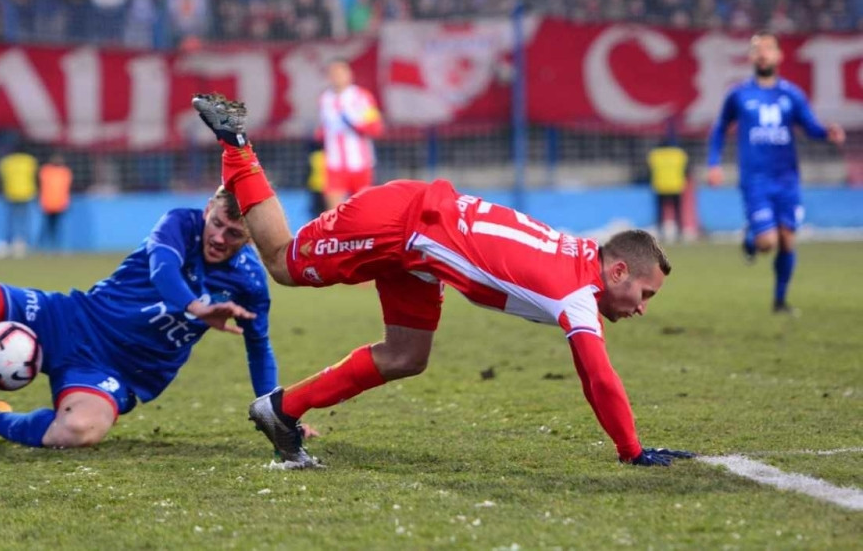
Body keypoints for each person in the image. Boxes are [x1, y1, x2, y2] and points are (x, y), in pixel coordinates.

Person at [192, 93, 694, 469]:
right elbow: (599, 378)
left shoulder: (582, 254)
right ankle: (237, 147)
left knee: (407, 355)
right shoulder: (578, 292)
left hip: (419, 249)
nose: (643, 306)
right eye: (645, 294)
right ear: (618, 270)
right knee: (281, 264)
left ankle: (281, 411)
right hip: (397, 224)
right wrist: (632, 451)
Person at [0, 188, 279, 449]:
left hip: (117, 372)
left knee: (78, 432)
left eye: (234, 235)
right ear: (208, 208)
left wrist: (279, 415)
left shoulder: (248, 282)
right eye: (217, 224)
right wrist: (196, 307)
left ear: (251, 239)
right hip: (67, 317)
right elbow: (163, 271)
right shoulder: (179, 222)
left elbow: (259, 348)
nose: (219, 238)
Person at [707, 31, 845, 314]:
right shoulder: (739, 94)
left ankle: (780, 302)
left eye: (768, 48)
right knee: (768, 243)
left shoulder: (791, 94)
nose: (763, 53)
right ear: (750, 57)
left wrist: (826, 133)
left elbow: (810, 127)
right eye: (757, 49)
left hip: (787, 179)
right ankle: (751, 238)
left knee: (788, 239)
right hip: (755, 179)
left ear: (779, 56)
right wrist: (713, 163)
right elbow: (720, 129)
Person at [317, 58, 384, 210]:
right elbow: (323, 130)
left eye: (341, 72)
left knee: (363, 211)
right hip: (334, 165)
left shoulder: (362, 97)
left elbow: (376, 128)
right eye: (333, 73)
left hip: (361, 164)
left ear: (349, 74)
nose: (337, 77)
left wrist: (355, 124)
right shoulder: (325, 99)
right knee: (333, 213)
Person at [0, 145, 39, 258]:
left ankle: (8, 244)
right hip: (27, 194)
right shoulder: (30, 161)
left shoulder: (6, 162)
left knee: (10, 221)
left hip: (11, 194)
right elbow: (36, 176)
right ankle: (23, 244)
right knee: (24, 221)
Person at [647, 137, 689, 243]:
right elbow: (686, 170)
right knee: (677, 211)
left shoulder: (655, 155)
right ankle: (680, 232)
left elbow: (649, 171)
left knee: (660, 212)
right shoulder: (679, 154)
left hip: (660, 186)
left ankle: (661, 233)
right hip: (676, 186)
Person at [38, 153, 74, 251]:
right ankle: (42, 247)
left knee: (57, 228)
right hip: (48, 204)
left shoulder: (64, 172)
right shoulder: (47, 171)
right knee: (46, 228)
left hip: (59, 204)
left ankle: (56, 247)